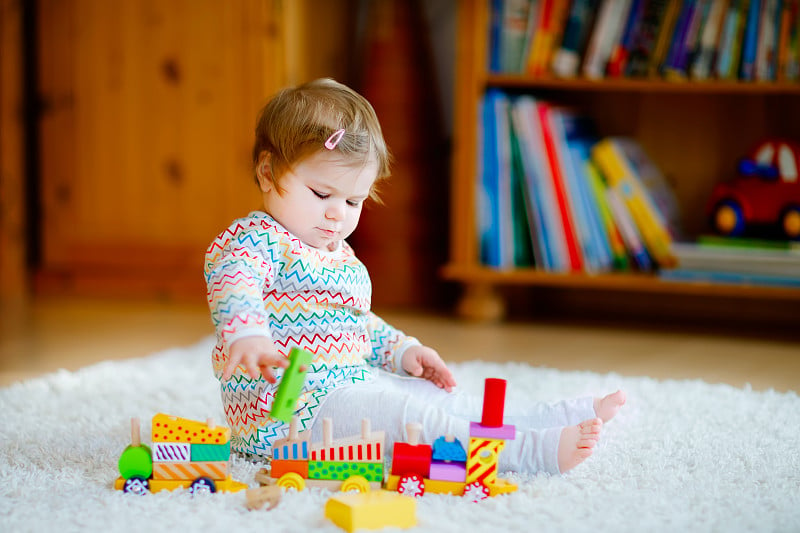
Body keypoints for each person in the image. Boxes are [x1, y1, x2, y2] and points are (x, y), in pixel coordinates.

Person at [204, 78, 625, 475]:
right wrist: (248, 333)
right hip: (285, 413)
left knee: (434, 400)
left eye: (354, 200)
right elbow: (232, 279)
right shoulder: (256, 239)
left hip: (342, 387)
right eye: (322, 194)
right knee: (407, 418)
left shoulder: (335, 253)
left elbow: (355, 325)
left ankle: (546, 421)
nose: (338, 213)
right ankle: (528, 453)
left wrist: (402, 351)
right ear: (267, 172)